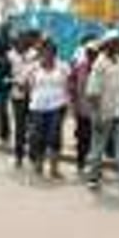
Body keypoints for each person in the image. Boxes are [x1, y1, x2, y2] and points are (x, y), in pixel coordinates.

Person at [87, 31, 119, 195]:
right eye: (115, 42)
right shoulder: (99, 64)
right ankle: (94, 177)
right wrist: (95, 115)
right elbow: (92, 93)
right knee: (98, 147)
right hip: (104, 112)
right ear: (108, 45)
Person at [25, 39, 70, 178]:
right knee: (39, 137)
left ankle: (54, 169)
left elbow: (68, 84)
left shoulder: (63, 66)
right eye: (44, 51)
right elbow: (28, 85)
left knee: (55, 137)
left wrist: (69, 103)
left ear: (54, 53)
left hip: (57, 106)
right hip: (38, 107)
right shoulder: (33, 68)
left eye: (50, 51)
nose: (47, 54)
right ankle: (39, 165)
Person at [69, 39, 100, 174]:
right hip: (82, 109)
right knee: (82, 138)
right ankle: (81, 164)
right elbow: (71, 82)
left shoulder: (100, 68)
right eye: (89, 52)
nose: (91, 55)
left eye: (94, 53)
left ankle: (94, 167)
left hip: (98, 110)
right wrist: (73, 101)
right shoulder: (80, 67)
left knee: (96, 140)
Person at [8, 34, 37, 168]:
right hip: (17, 96)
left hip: (33, 96)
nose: (21, 44)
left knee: (33, 127)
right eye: (19, 42)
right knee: (19, 127)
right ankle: (18, 156)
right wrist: (15, 82)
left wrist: (29, 85)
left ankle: (32, 154)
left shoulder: (34, 55)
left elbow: (37, 73)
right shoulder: (10, 56)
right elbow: (5, 76)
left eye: (24, 42)